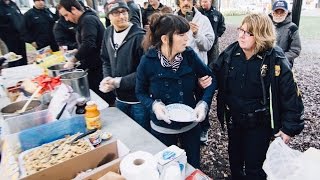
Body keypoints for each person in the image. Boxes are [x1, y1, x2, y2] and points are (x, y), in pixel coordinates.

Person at [211, 13, 304, 179]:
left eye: (248, 32)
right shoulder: (231, 52)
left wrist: (289, 128)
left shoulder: (274, 58)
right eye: (241, 30)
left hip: (259, 124)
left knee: (255, 167)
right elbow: (214, 72)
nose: (241, 35)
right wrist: (203, 79)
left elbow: (291, 95)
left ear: (261, 34)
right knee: (235, 161)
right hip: (235, 120)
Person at [135, 14, 216, 168]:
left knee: (193, 167)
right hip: (162, 128)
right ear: (165, 39)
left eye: (187, 33)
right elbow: (140, 92)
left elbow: (211, 80)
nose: (187, 38)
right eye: (181, 34)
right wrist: (154, 106)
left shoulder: (189, 55)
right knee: (166, 169)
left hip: (190, 126)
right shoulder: (148, 61)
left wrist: (203, 104)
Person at [99, 0, 148, 130]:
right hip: (119, 98)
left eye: (124, 12)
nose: (121, 16)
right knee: (125, 132)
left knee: (142, 135)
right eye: (116, 13)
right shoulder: (108, 33)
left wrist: (119, 81)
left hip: (138, 100)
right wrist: (107, 78)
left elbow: (145, 71)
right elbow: (106, 60)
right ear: (108, 16)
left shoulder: (140, 36)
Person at [58, 0, 115, 105]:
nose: (66, 19)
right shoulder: (83, 21)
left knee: (104, 99)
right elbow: (85, 42)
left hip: (98, 67)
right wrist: (77, 50)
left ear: (74, 9)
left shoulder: (88, 20)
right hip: (93, 66)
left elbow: (89, 44)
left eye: (66, 15)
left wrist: (73, 60)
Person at [176, 0, 215, 143]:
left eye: (189, 0)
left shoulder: (203, 20)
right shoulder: (172, 20)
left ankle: (203, 128)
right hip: (178, 70)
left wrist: (197, 33)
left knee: (201, 99)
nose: (186, 2)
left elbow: (209, 45)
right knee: (182, 99)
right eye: (182, 0)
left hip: (198, 70)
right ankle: (183, 128)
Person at [270, 0, 301, 68]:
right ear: (272, 12)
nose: (279, 14)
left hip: (283, 64)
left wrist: (280, 58)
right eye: (276, 11)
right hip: (266, 61)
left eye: (282, 12)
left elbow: (295, 50)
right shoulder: (266, 25)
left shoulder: (292, 28)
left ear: (287, 13)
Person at [199, 0, 226, 67]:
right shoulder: (198, 14)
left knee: (214, 62)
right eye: (202, 2)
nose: (203, 4)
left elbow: (222, 26)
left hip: (213, 44)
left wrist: (216, 35)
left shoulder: (217, 14)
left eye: (205, 2)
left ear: (210, 2)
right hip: (201, 42)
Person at [0, 0, 27, 67]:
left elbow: (20, 17)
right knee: (13, 59)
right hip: (8, 38)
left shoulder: (13, 4)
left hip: (20, 36)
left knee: (22, 57)